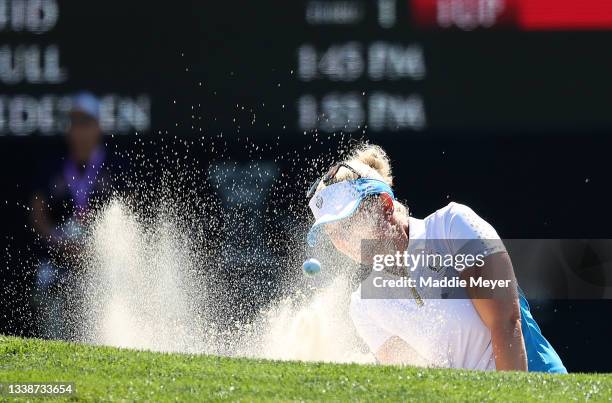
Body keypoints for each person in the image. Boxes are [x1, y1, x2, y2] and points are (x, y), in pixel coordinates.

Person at [306, 143, 566, 373]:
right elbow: (422, 383)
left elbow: (506, 323)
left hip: (539, 388)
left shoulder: (452, 226)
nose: (341, 240)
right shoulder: (363, 306)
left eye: (348, 223)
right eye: (332, 232)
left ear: (385, 206)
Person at [30, 91, 113, 339]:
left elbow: (128, 213)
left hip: (102, 258)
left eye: (85, 123)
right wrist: (58, 241)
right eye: (74, 124)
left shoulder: (117, 166)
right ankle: (55, 352)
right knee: (46, 279)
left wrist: (95, 246)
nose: (79, 131)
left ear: (98, 127)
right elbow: (37, 214)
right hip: (59, 257)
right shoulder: (51, 166)